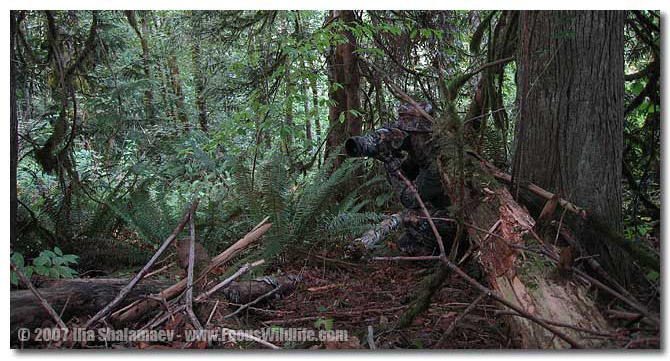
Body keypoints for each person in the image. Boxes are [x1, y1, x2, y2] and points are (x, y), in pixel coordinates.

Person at [345, 102, 455, 256]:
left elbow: (410, 199)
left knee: (410, 217)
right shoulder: (424, 153)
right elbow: (409, 170)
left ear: (426, 135)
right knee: (405, 242)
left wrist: (391, 166)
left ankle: (442, 253)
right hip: (446, 213)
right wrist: (388, 153)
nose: (407, 138)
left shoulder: (437, 164)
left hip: (458, 221)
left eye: (411, 134)